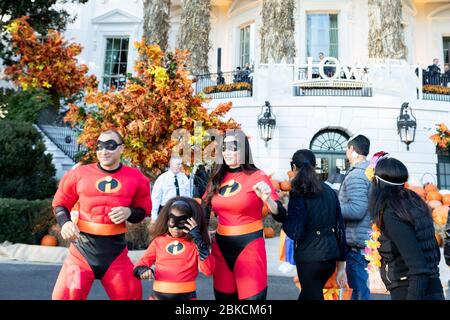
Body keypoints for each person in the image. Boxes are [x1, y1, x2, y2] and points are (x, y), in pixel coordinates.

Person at [52, 129, 152, 300]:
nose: (104, 151)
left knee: (132, 296)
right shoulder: (79, 174)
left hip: (116, 253)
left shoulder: (136, 178)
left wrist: (129, 212)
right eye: (100, 146)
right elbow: (60, 203)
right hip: (81, 252)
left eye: (110, 146)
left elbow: (143, 211)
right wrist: (66, 223)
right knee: (63, 297)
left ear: (121, 149)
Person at [204, 129, 287, 300]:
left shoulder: (258, 176)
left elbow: (281, 214)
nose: (227, 152)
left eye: (233, 148)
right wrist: (203, 233)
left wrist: (268, 200)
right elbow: (204, 209)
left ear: (244, 150)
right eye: (224, 148)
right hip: (220, 249)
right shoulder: (217, 178)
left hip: (249, 248)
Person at [368, 155, 444, 300]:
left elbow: (418, 268)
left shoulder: (392, 213)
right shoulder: (414, 202)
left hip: (412, 290)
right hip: (431, 287)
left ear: (376, 182)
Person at [280, 149, 347, 300]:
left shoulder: (299, 192)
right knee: (309, 294)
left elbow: (296, 232)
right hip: (329, 256)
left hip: (309, 257)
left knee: (311, 294)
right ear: (315, 166)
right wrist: (341, 264)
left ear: (293, 168)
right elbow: (340, 227)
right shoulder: (329, 190)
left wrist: (284, 217)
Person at [133, 196, 214, 300]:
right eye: (172, 223)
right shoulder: (159, 241)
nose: (175, 228)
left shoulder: (195, 244)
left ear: (191, 222)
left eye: (181, 223)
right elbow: (142, 262)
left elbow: (208, 270)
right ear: (167, 220)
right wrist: (142, 270)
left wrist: (200, 242)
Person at [338, 134, 371, 300]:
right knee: (360, 289)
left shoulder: (357, 175)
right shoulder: (369, 171)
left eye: (346, 149)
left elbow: (357, 210)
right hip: (363, 239)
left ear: (352, 149)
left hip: (357, 242)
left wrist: (334, 209)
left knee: (358, 292)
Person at [151, 156, 191, 222]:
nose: (180, 166)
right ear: (171, 164)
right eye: (178, 164)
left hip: (182, 209)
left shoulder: (184, 177)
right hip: (166, 210)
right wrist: (154, 216)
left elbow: (188, 195)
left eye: (181, 164)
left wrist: (190, 209)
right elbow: (155, 198)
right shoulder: (162, 179)